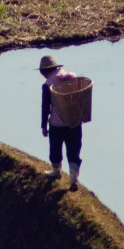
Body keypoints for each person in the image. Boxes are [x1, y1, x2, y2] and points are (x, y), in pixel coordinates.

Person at [39, 53, 84, 191]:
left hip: (57, 124)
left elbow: (45, 106)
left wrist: (43, 126)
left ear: (44, 71)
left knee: (55, 148)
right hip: (74, 122)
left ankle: (56, 171)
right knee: (74, 150)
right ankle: (74, 179)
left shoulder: (47, 85)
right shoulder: (71, 78)